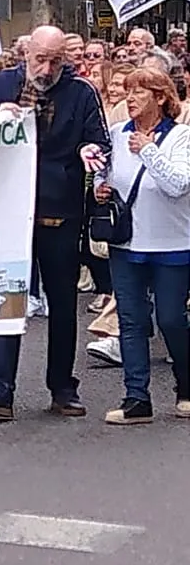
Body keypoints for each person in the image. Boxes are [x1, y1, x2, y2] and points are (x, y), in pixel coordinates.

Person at [0, 25, 110, 421]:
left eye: (55, 61)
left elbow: (101, 142)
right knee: (8, 300)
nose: (47, 69)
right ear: (25, 54)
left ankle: (62, 388)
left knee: (63, 304)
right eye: (40, 60)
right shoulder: (3, 84)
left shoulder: (80, 92)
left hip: (60, 210)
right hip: (12, 210)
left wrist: (89, 150)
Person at [93, 67, 190, 425]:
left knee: (171, 319)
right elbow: (105, 175)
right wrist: (99, 187)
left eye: (140, 92)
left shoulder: (181, 137)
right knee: (131, 322)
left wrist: (149, 150)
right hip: (127, 242)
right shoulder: (117, 134)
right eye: (128, 91)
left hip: (172, 243)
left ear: (161, 98)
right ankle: (137, 398)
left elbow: (178, 184)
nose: (130, 98)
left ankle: (186, 386)